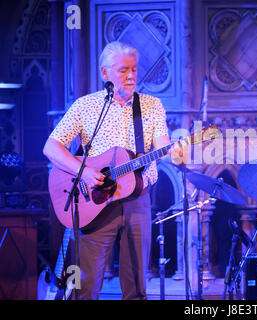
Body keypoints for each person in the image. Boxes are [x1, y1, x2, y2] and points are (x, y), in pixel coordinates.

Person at [43, 41, 186, 300]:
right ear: (104, 73)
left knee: (137, 288)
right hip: (95, 202)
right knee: (86, 288)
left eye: (133, 69)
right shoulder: (86, 106)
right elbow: (51, 147)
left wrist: (177, 153)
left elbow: (163, 144)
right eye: (122, 70)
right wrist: (83, 171)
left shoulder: (151, 106)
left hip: (138, 201)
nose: (130, 76)